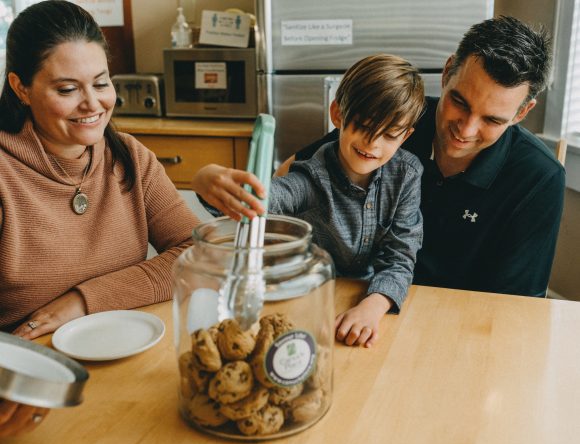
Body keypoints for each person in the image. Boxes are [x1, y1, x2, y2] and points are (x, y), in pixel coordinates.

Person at [195, 16, 565, 298]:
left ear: (521, 113)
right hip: (361, 299)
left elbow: (517, 307)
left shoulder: (539, 179)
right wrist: (217, 181)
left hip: (458, 326)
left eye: (491, 120)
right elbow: (299, 169)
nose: (465, 130)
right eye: (459, 102)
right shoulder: (397, 119)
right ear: (448, 71)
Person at [0, 0, 200, 339]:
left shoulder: (131, 157)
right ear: (21, 88)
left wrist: (82, 301)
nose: (92, 104)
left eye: (101, 83)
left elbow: (197, 255)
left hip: (127, 349)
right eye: (67, 89)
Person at [196, 54, 425, 347]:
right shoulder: (310, 177)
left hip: (369, 299)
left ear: (405, 136)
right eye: (364, 126)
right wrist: (208, 180)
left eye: (390, 135)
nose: (372, 144)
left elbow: (400, 258)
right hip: (308, 298)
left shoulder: (407, 175)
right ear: (338, 114)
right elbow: (264, 199)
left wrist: (373, 306)